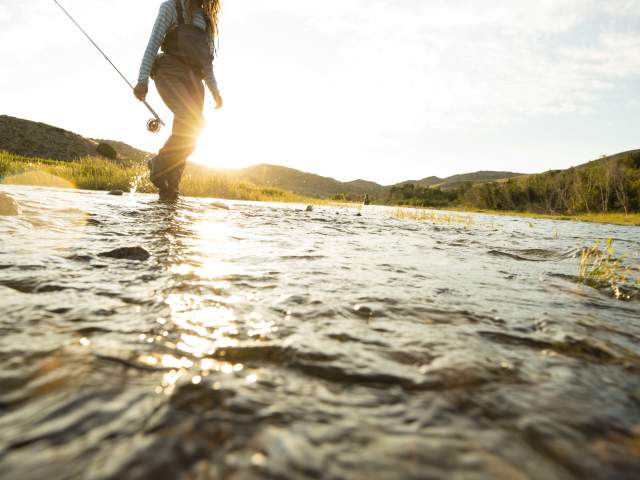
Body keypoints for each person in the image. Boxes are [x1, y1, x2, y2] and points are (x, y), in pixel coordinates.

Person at [134, 0, 223, 201]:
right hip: (169, 72)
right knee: (195, 123)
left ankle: (170, 191)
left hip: (195, 82)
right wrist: (142, 79)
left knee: (188, 133)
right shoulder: (170, 7)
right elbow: (153, 42)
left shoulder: (206, 19)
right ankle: (159, 164)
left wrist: (215, 91)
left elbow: (206, 62)